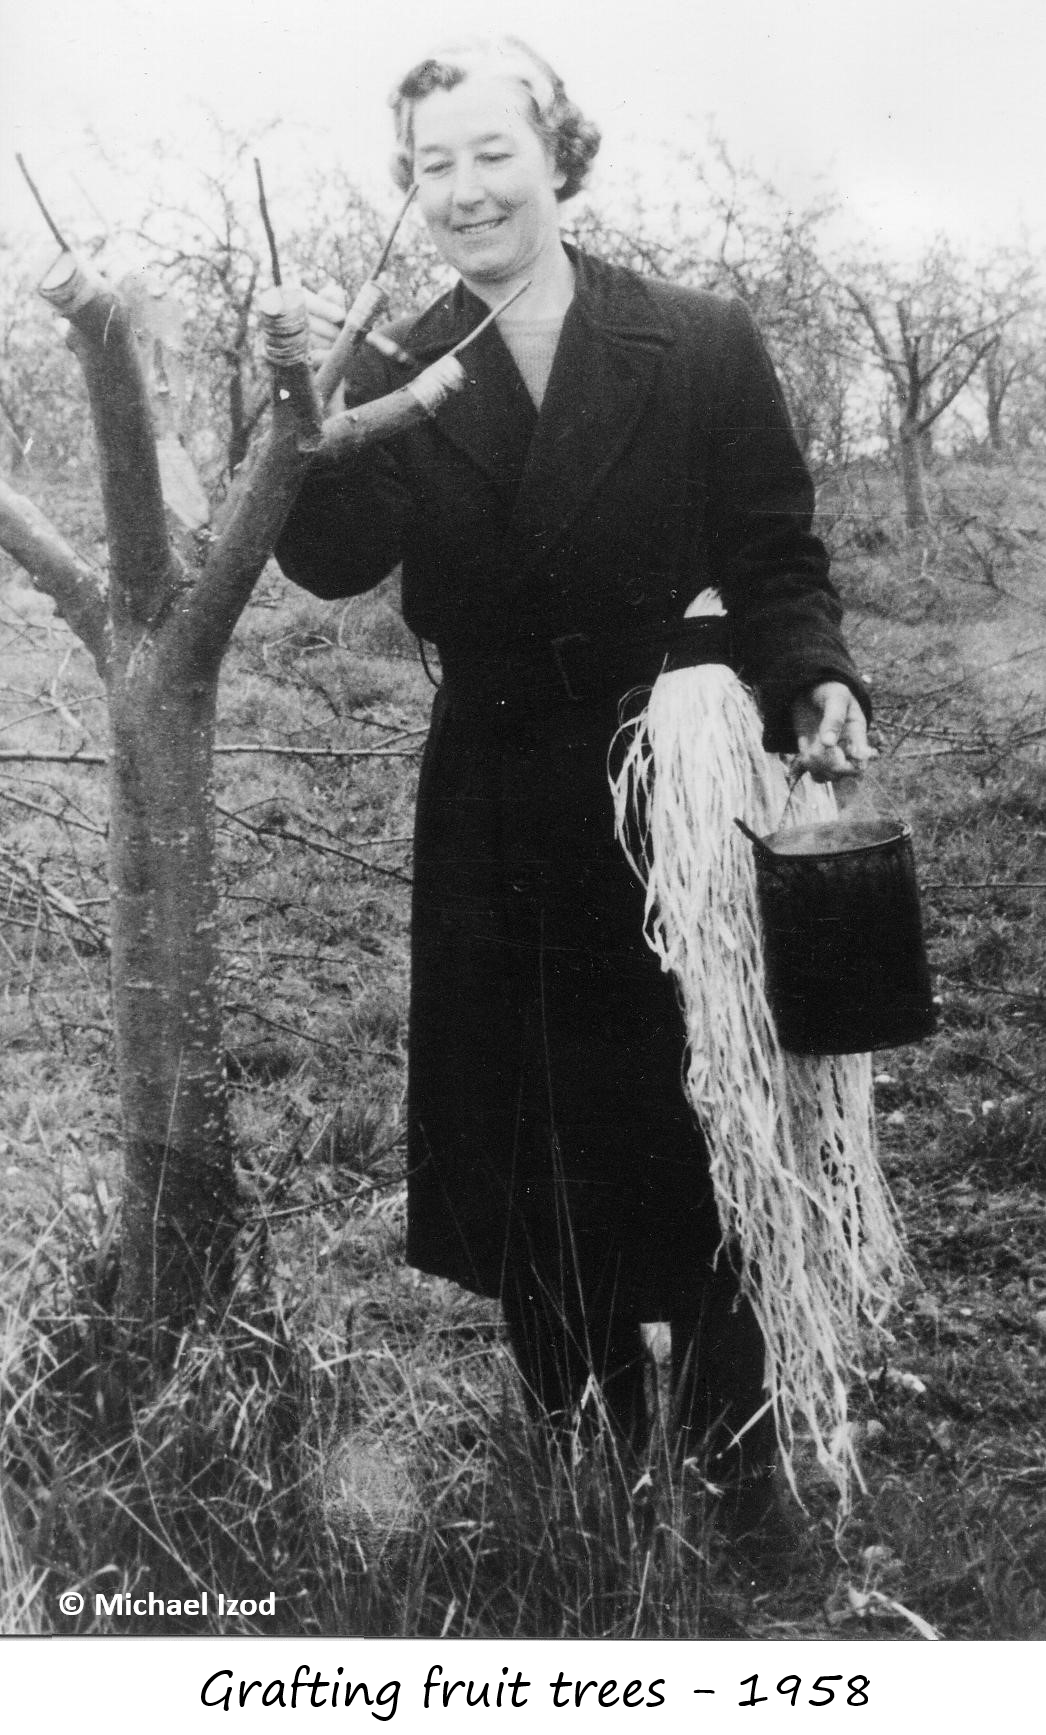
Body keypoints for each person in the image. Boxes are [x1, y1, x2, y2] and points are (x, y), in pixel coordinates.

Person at [276, 36, 873, 1524]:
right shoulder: (395, 365)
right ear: (407, 187)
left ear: (558, 157)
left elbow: (774, 555)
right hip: (499, 799)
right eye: (432, 165)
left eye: (493, 154)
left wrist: (815, 676)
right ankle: (586, 1478)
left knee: (713, 1106)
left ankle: (742, 1466)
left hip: (686, 783)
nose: (465, 189)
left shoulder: (697, 337)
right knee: (535, 1137)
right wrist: (297, 404)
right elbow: (330, 559)